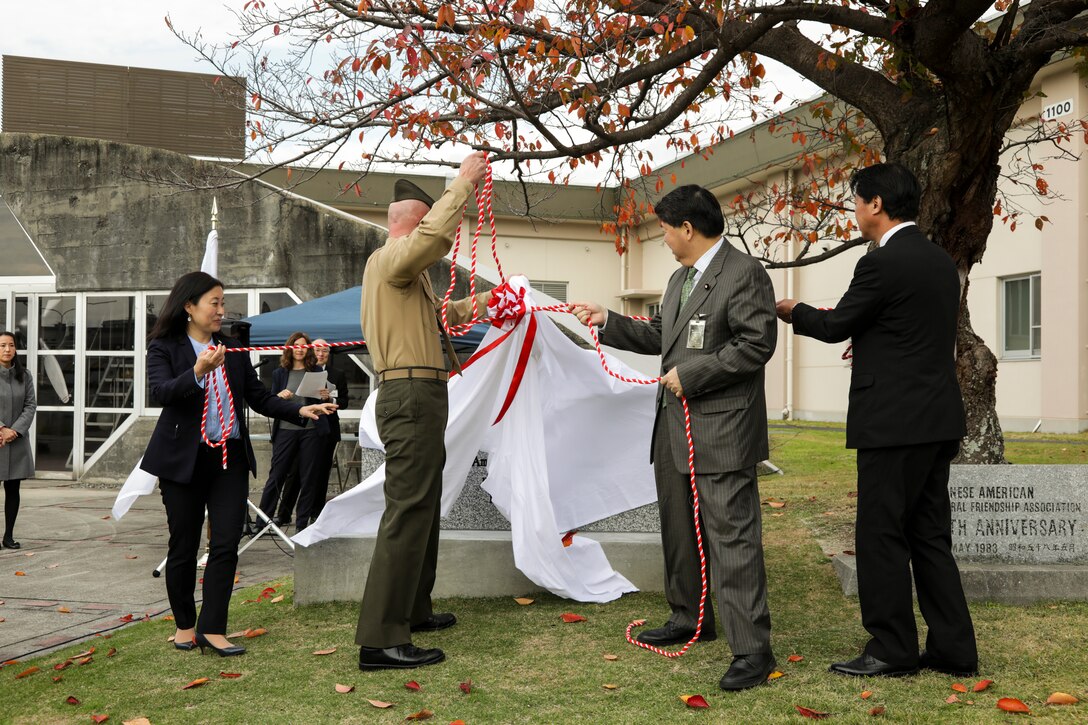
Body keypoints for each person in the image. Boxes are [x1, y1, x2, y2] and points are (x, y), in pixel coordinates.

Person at [569, 184, 778, 692]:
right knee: (679, 531)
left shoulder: (744, 273)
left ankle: (752, 650)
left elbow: (757, 344)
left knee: (732, 538)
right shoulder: (679, 279)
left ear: (688, 227)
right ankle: (690, 618)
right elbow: (662, 336)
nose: (661, 238)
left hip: (722, 430)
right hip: (673, 430)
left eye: (664, 229)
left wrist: (696, 374)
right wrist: (608, 321)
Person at [775, 162, 977, 678]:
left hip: (893, 422)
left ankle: (891, 648)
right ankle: (954, 649)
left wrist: (793, 309)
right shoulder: (939, 261)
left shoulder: (880, 262)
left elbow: (836, 323)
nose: (856, 210)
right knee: (930, 535)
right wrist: (870, 344)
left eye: (858, 201)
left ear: (877, 204)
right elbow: (906, 330)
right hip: (937, 418)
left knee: (881, 533)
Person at [142, 272, 336, 657]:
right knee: (183, 545)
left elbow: (259, 398)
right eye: (213, 302)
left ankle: (212, 628)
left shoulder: (231, 349)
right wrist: (198, 371)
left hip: (227, 458)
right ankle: (184, 624)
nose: (221, 310)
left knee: (226, 542)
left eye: (221, 302)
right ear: (189, 307)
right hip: (182, 460)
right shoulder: (165, 347)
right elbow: (159, 392)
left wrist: (300, 408)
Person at [356, 152, 493, 671]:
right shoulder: (391, 258)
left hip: (422, 394)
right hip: (411, 396)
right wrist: (461, 184)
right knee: (409, 509)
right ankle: (381, 639)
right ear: (411, 222)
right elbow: (435, 238)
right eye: (430, 221)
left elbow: (441, 320)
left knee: (422, 504)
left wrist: (486, 301)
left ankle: (412, 610)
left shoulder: (407, 278)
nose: (442, 236)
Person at [257, 331, 329, 532]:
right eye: (296, 345)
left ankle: (302, 524)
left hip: (311, 429)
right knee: (277, 475)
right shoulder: (280, 373)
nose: (300, 349)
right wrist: (279, 396)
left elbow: (325, 401)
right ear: (289, 348)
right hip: (286, 430)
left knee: (308, 477)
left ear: (308, 349)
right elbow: (270, 402)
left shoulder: (316, 371)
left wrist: (326, 397)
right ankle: (262, 522)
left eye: (304, 345)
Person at [0, 331, 36, 550]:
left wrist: (14, 431)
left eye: (11, 345)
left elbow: (30, 405)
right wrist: (1, 429)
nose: (7, 350)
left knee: (13, 490)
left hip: (17, 441)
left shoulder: (25, 375)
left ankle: (8, 536)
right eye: (3, 345)